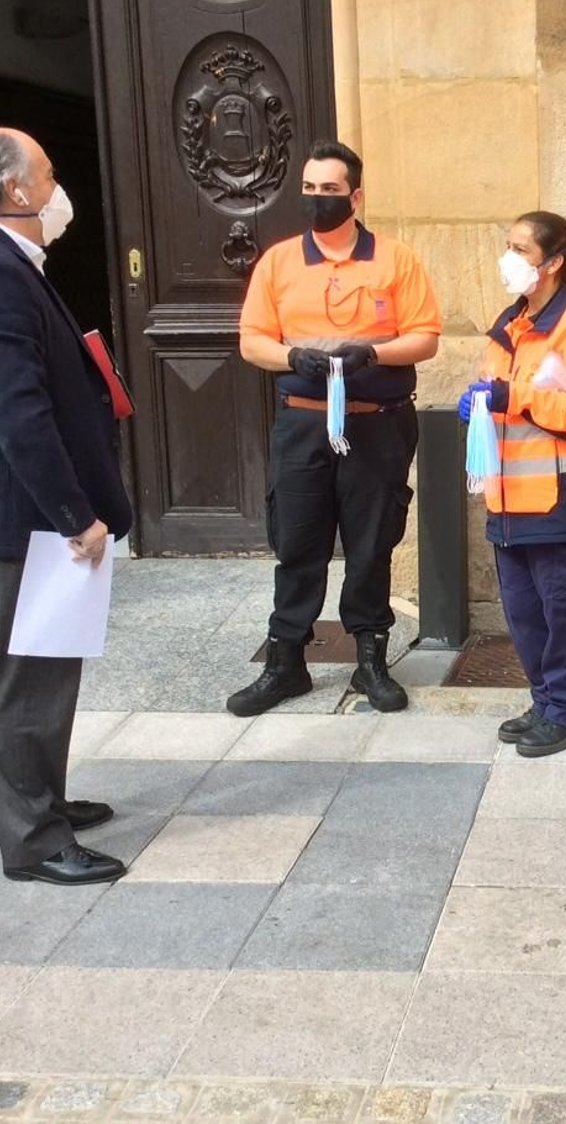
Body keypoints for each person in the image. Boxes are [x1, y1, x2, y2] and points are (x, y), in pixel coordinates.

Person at [0, 127, 133, 884]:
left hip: (26, 508)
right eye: (46, 173)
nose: (55, 186)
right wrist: (76, 515)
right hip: (22, 513)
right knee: (25, 676)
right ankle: (34, 841)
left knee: (48, 663)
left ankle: (44, 799)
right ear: (14, 190)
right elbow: (18, 414)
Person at [228, 141, 442, 716]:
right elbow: (252, 341)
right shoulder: (277, 261)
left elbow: (426, 336)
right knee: (297, 543)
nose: (318, 199)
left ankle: (370, 659)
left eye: (330, 190)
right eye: (310, 189)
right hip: (304, 423)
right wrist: (291, 358)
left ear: (356, 196)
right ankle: (285, 663)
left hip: (377, 425)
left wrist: (374, 353)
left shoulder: (395, 260)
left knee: (371, 545)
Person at [457, 212, 566, 757]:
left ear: (553, 263)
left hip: (561, 501)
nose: (509, 258)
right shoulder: (511, 326)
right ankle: (545, 700)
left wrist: (514, 399)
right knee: (524, 614)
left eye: (521, 249)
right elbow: (504, 395)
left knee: (559, 610)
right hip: (510, 500)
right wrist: (480, 403)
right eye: (507, 245)